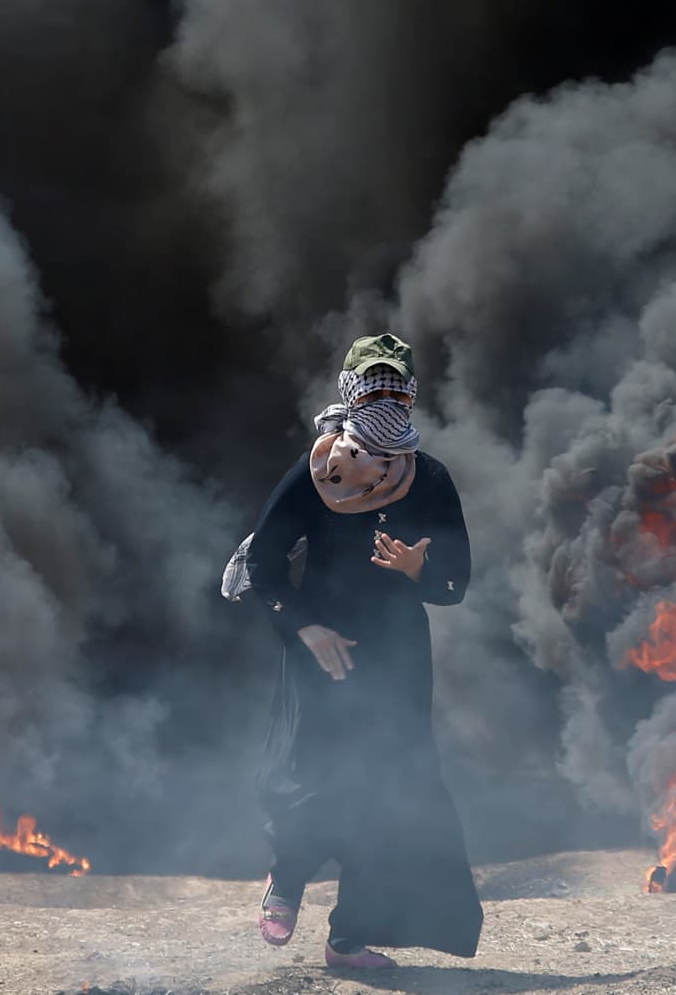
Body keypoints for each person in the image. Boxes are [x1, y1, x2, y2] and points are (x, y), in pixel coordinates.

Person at [223, 333, 482, 970]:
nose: (386, 401)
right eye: (374, 388)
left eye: (398, 389)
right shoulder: (316, 472)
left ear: (414, 396)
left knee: (389, 788)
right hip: (318, 648)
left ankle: (349, 936)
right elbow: (264, 561)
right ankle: (285, 884)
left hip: (396, 657)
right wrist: (305, 629)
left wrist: (421, 573)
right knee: (313, 773)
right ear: (349, 391)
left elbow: (455, 586)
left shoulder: (431, 479)